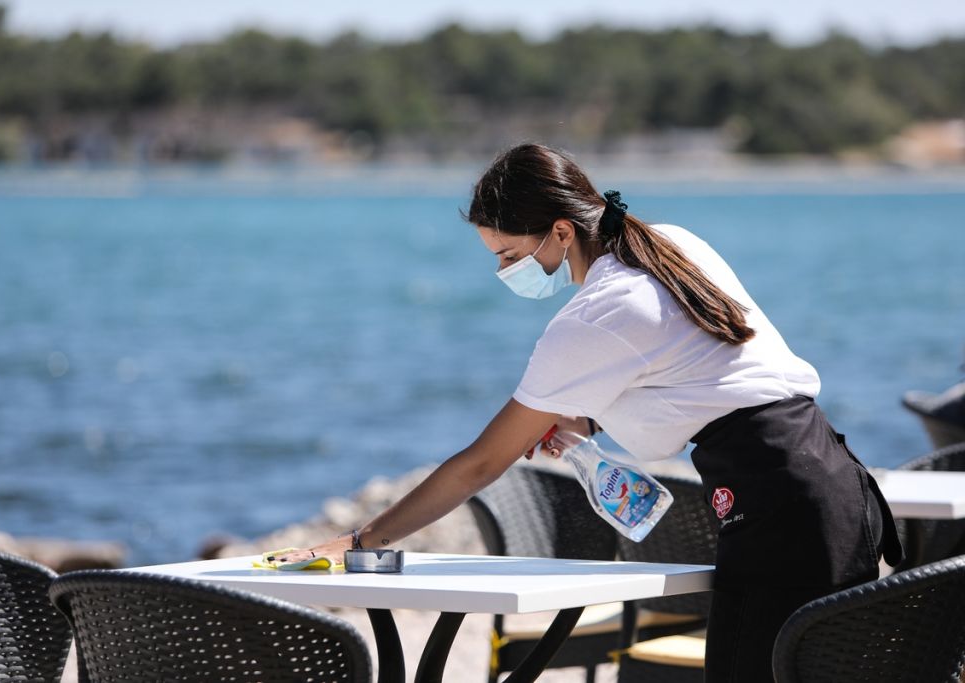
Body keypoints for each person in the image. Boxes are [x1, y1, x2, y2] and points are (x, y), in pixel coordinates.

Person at [280, 143, 903, 681]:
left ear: (560, 231)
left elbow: (481, 463)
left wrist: (361, 541)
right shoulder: (672, 245)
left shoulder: (593, 316)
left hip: (781, 508)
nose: (504, 272)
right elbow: (710, 368)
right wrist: (588, 419)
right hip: (829, 479)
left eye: (508, 256)